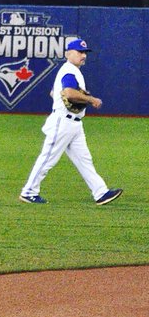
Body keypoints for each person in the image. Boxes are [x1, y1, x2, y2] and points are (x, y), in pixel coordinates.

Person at [19, 37, 122, 206]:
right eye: (79, 52)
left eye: (85, 52)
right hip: (63, 122)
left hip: (74, 124)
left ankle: (101, 192)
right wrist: (90, 99)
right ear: (68, 53)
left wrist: (67, 98)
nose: (83, 55)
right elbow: (68, 92)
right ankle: (28, 192)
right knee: (48, 158)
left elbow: (54, 93)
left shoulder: (72, 71)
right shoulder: (69, 70)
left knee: (84, 159)